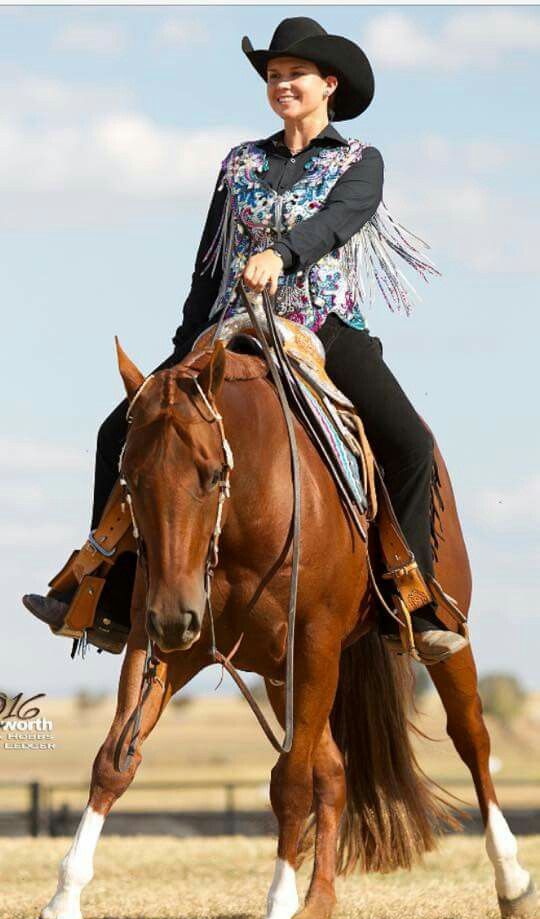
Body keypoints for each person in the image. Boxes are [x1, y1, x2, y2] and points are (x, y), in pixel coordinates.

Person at [23, 16, 468, 662]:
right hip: (230, 330)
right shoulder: (240, 163)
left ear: (328, 85)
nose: (282, 84)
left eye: (296, 75)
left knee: (411, 442)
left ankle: (410, 597)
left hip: (321, 327)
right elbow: (210, 263)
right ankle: (108, 602)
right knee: (118, 428)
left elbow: (340, 224)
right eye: (274, 75)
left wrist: (283, 256)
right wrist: (180, 352)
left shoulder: (358, 162)